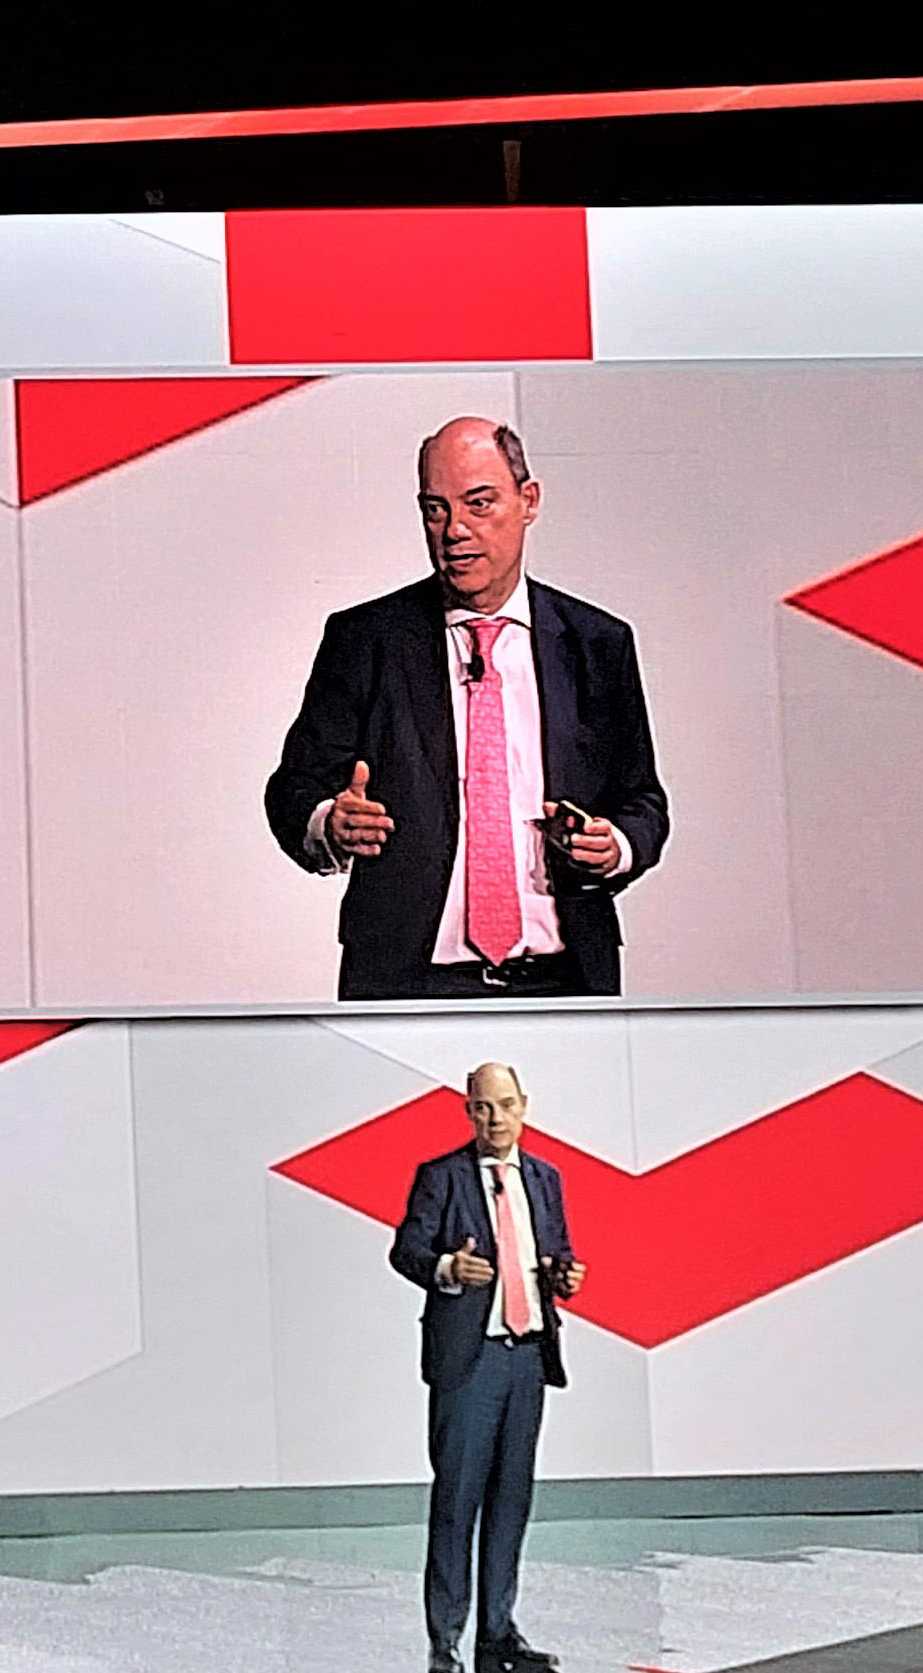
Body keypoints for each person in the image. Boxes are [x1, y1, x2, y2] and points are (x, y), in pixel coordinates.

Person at [261, 417, 670, 999]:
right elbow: (292, 790)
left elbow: (643, 800)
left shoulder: (597, 644)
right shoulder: (366, 640)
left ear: (529, 501)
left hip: (566, 980)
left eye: (479, 504)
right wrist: (329, 821)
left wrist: (616, 846)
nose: (454, 530)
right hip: (408, 986)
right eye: (436, 510)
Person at [388, 1062, 587, 1673]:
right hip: (468, 1363)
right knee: (457, 1501)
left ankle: (498, 1635)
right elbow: (406, 1250)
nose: (494, 1118)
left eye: (504, 1105)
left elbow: (557, 1252)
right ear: (468, 1111)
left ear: (523, 1105)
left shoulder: (546, 1179)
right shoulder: (441, 1177)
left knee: (510, 1501)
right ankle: (445, 1643)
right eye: (482, 1107)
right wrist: (448, 1268)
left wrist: (565, 1277)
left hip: (527, 1358)